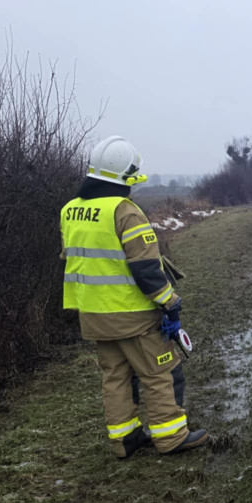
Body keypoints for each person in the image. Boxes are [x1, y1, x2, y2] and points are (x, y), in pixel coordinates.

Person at [60, 136, 209, 458]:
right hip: (132, 313)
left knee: (114, 376)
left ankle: (124, 439)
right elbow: (145, 270)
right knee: (159, 373)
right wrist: (170, 304)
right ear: (125, 177)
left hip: (92, 313)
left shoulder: (71, 209)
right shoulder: (124, 211)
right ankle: (170, 437)